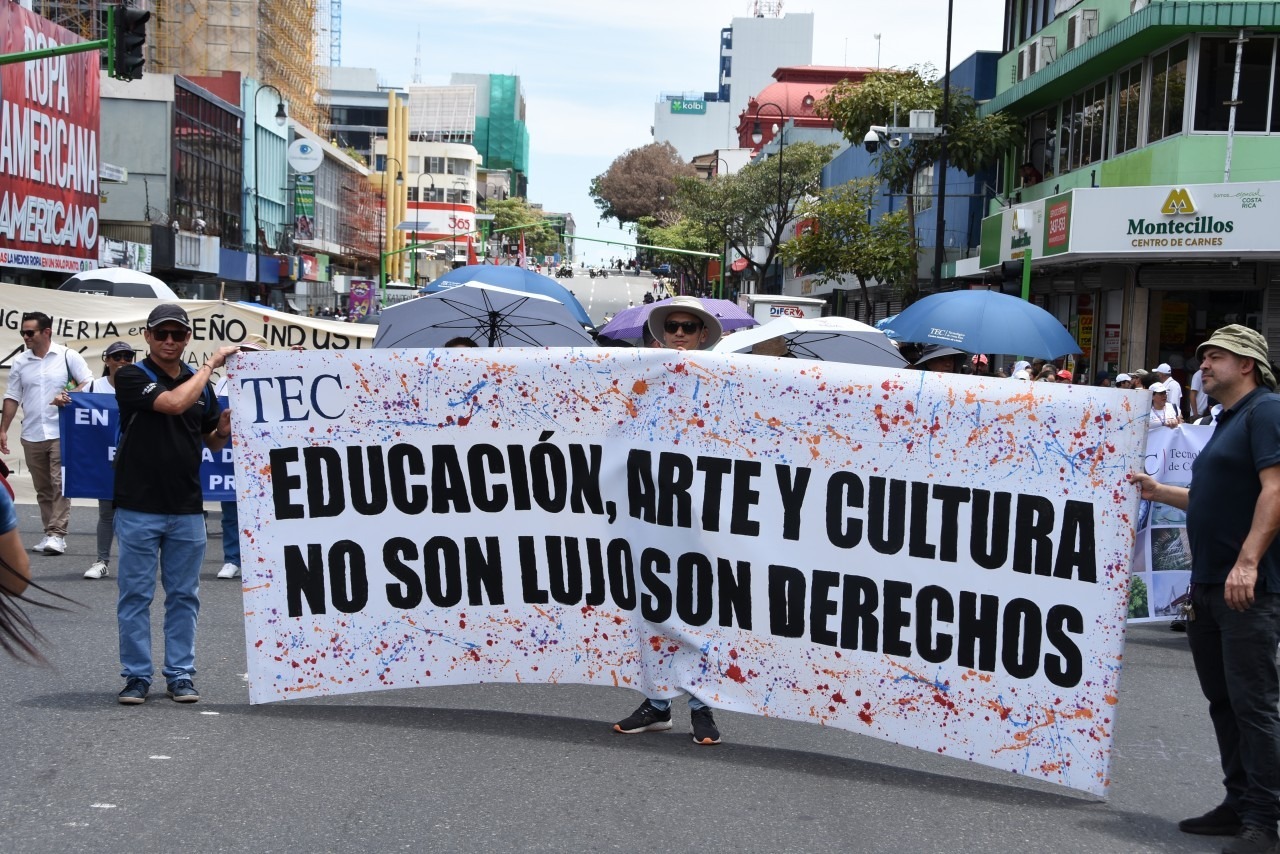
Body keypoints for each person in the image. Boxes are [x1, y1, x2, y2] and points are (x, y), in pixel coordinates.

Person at [1128, 324, 1280, 854]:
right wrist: (1159, 490)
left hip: (1246, 588)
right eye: (1204, 357)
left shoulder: (1266, 411)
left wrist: (1248, 563)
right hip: (1210, 585)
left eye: (1215, 356)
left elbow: (1275, 490)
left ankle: (1264, 821)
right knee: (1224, 702)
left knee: (1253, 705)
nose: (1204, 366)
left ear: (1247, 364)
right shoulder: (1229, 419)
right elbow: (1209, 499)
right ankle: (1238, 804)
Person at [113, 304, 238, 705]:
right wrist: (211, 364)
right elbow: (172, 404)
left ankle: (180, 674)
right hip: (138, 505)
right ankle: (136, 676)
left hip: (186, 507)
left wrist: (221, 431)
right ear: (147, 336)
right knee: (136, 596)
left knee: (184, 596)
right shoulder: (131, 375)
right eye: (162, 334)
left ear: (187, 338)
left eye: (178, 334)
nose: (169, 341)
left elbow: (209, 440)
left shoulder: (199, 384)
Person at [616, 295, 724, 745]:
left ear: (703, 334)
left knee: (698, 610)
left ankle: (701, 706)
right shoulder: (642, 376)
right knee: (651, 606)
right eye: (672, 326)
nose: (679, 333)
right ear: (661, 333)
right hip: (649, 512)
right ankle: (657, 704)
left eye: (688, 326)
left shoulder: (726, 378)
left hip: (704, 518)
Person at [1, 312, 93, 555]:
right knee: (43, 488)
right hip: (31, 432)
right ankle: (49, 533)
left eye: (30, 332)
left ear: (47, 332)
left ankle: (57, 534)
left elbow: (88, 382)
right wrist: (3, 430)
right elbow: (12, 396)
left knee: (60, 483)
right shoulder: (21, 361)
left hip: (61, 430)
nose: (25, 337)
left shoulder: (67, 355)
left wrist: (68, 395)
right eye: (23, 332)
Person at [83, 341, 140, 580]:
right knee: (106, 512)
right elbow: (73, 405)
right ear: (107, 360)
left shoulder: (140, 385)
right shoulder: (93, 387)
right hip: (106, 460)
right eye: (117, 357)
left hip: (137, 459)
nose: (123, 361)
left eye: (128, 356)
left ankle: (134, 564)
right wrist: (63, 400)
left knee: (137, 515)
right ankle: (101, 561)